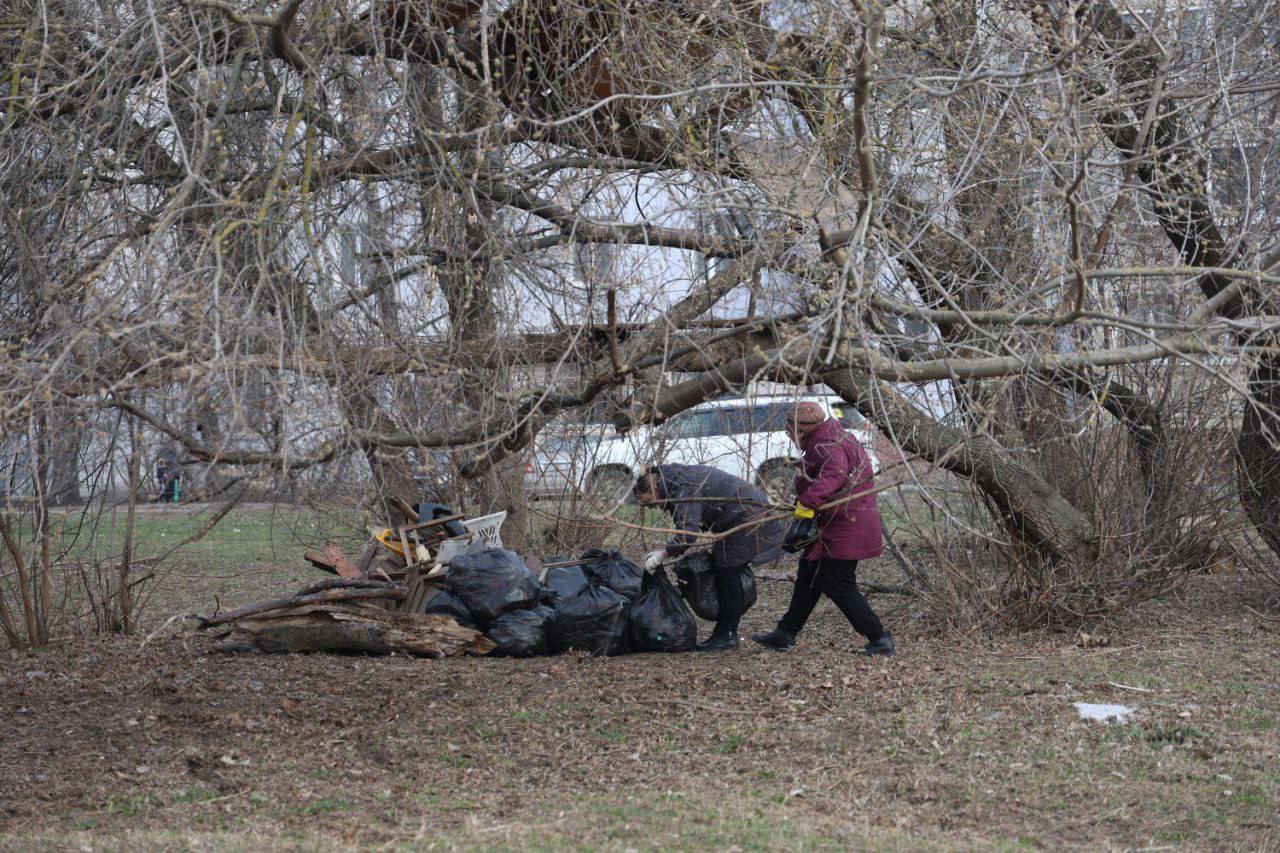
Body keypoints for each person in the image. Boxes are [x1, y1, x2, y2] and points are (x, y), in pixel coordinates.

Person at [752, 401, 895, 657]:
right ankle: (786, 632)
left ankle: (879, 638)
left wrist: (806, 503)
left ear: (802, 430)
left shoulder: (826, 444)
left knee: (838, 584)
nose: (790, 437)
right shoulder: (834, 435)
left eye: (790, 431)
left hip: (845, 525)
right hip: (838, 522)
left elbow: (833, 477)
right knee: (809, 575)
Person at [634, 464, 784, 651]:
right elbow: (684, 523)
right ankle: (728, 630)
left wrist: (662, 554)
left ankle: (727, 634)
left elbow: (687, 533)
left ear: (654, 488)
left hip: (748, 517)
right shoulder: (675, 481)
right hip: (742, 515)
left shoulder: (683, 487)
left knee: (727, 572)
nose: (652, 507)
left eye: (649, 502)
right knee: (726, 569)